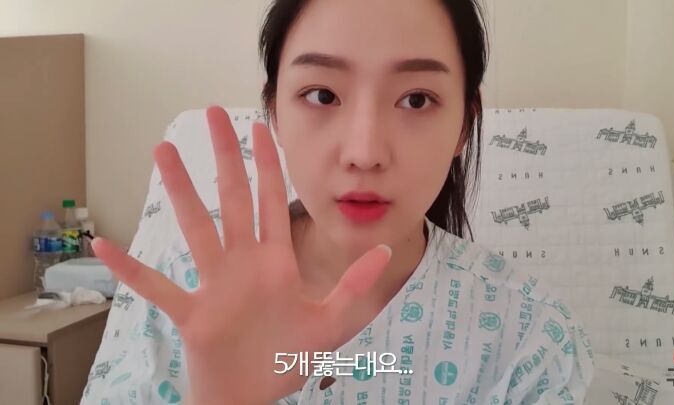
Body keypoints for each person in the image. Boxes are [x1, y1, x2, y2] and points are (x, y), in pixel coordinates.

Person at [82, 0, 595, 403]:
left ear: (465, 124)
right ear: (274, 112)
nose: (364, 153)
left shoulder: (528, 335)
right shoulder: (184, 284)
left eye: (416, 99)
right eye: (323, 95)